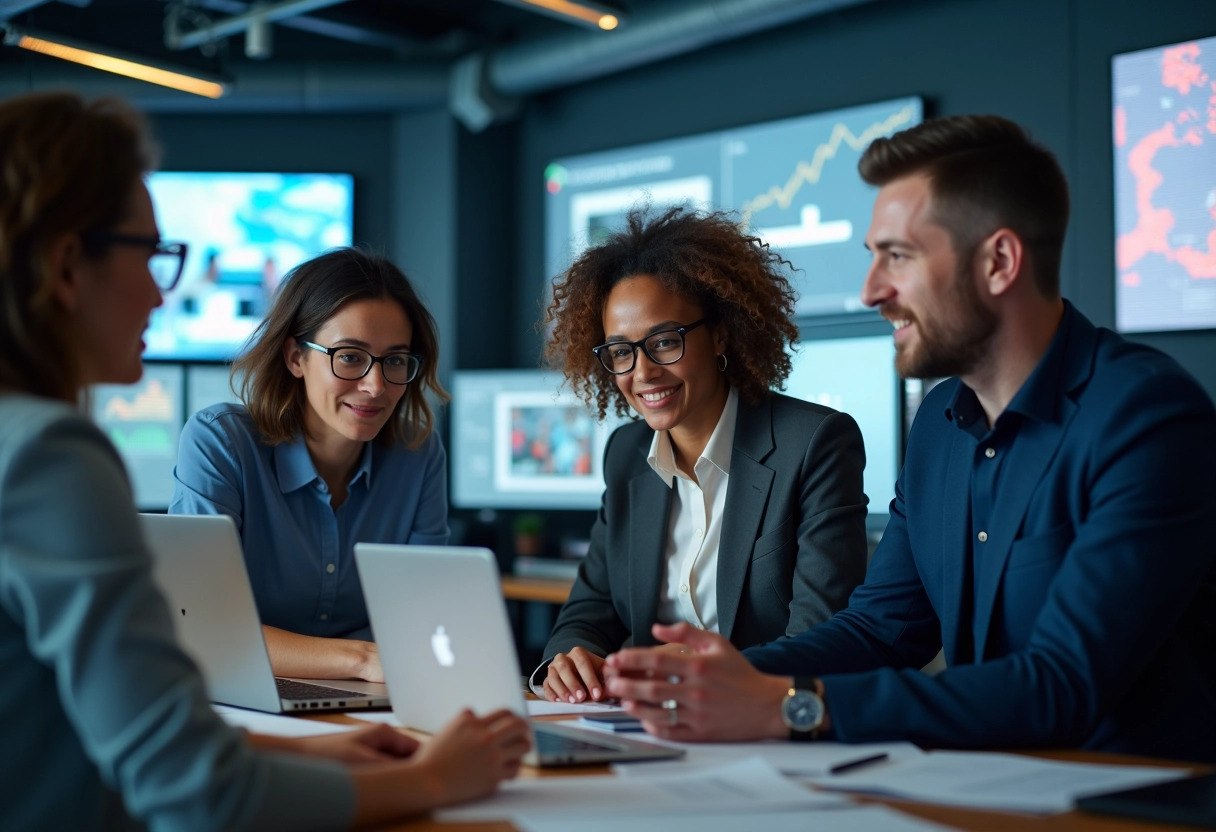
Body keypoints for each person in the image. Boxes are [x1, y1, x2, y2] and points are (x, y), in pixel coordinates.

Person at [601, 115, 1216, 762]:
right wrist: (721, 676)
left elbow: (1062, 685)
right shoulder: (941, 423)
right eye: (872, 256)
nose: (872, 291)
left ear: (999, 262)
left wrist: (790, 705)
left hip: (1133, 803)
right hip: (992, 786)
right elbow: (880, 630)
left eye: (898, 256)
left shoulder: (1148, 420)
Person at [0, 91, 529, 829]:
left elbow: (96, 730)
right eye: (151, 254)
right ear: (65, 268)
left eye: (395, 362)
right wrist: (435, 782)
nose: (163, 290)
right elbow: (199, 795)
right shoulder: (48, 457)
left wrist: (315, 755)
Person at [534, 206, 869, 703]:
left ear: (719, 334)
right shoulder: (626, 454)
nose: (642, 373)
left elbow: (823, 640)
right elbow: (590, 610)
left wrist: (697, 672)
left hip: (762, 723)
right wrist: (567, 662)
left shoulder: (815, 443)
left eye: (665, 341)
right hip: (645, 728)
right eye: (620, 352)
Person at [171, 246, 449, 682]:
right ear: (295, 358)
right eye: (351, 357)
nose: (375, 386)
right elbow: (200, 627)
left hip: (380, 697)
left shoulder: (419, 453)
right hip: (243, 696)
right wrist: (359, 659)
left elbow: (423, 618)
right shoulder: (221, 442)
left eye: (395, 360)